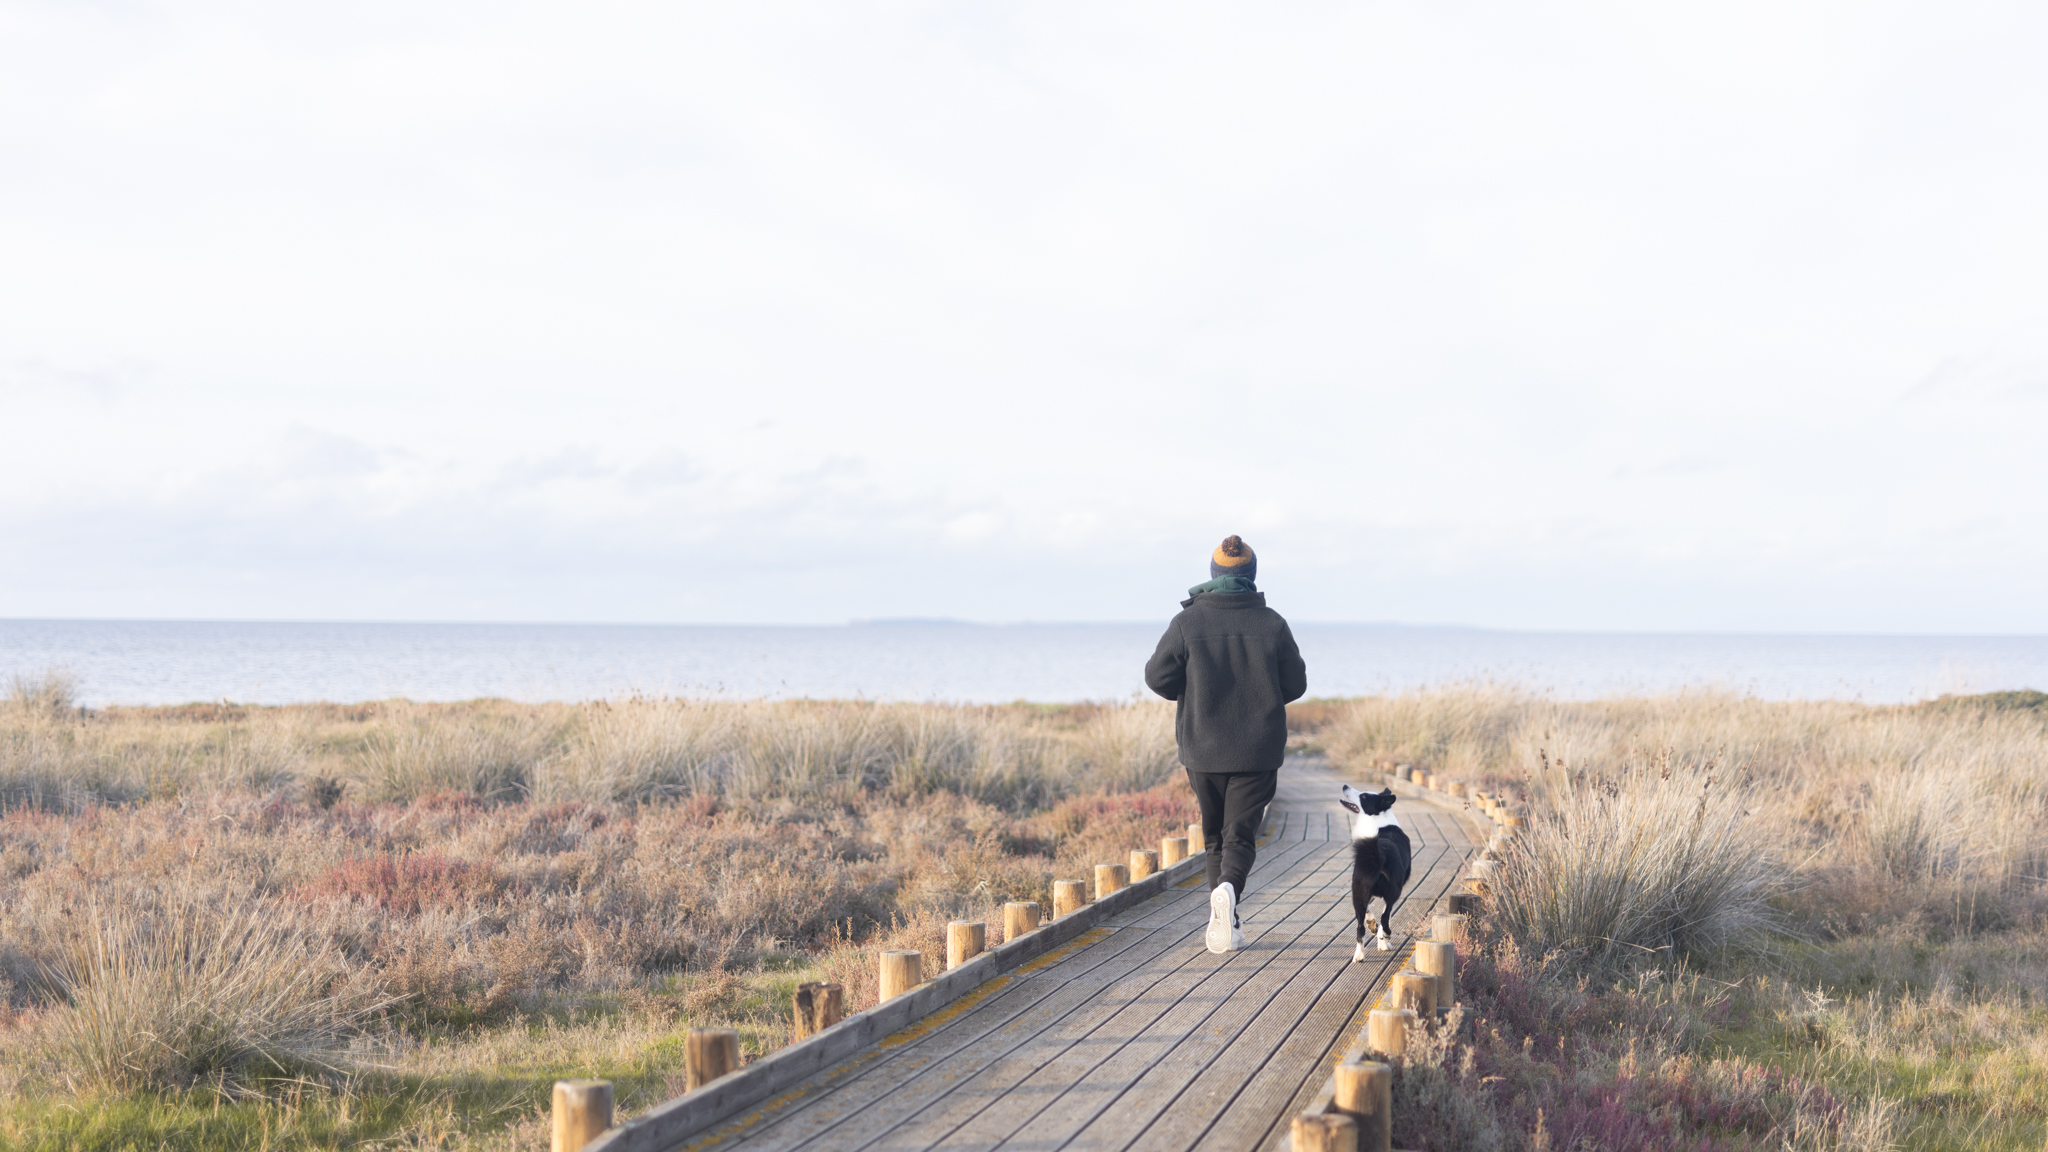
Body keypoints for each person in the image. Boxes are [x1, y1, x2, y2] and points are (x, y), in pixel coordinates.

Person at [1144, 534, 1308, 954]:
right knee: (1240, 836)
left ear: (1214, 574)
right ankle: (1229, 893)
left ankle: (1226, 921)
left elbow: (1157, 678)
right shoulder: (1272, 623)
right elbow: (1296, 684)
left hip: (1202, 749)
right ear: (1251, 574)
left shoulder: (1187, 623)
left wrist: (1194, 690)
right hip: (1257, 751)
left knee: (1215, 836)